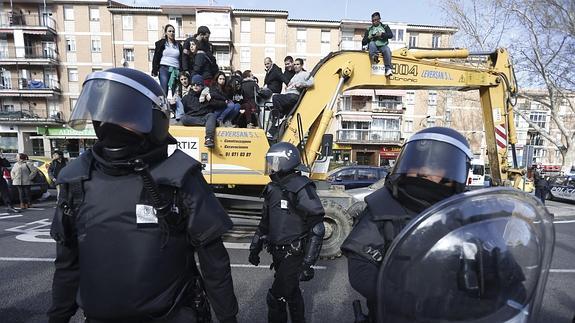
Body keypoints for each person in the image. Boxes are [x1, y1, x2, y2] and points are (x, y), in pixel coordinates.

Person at [48, 68, 238, 323]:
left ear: (154, 120)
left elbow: (215, 264)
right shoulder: (76, 178)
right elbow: (67, 265)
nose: (111, 124)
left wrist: (228, 318)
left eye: (125, 116)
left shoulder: (180, 176)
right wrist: (57, 317)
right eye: (107, 116)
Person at [341, 127, 473, 321]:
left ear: (451, 171)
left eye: (436, 168)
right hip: (395, 314)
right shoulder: (382, 207)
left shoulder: (465, 212)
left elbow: (492, 258)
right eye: (419, 166)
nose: (425, 173)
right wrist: (403, 299)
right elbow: (361, 266)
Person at [248, 142, 325, 323]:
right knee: (292, 293)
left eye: (274, 162)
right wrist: (255, 248)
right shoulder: (272, 187)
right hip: (277, 252)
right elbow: (264, 223)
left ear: (286, 162)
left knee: (276, 297)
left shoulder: (301, 186)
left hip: (294, 253)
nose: (271, 166)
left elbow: (317, 227)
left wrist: (307, 263)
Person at [268, 58, 314, 139]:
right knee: (277, 115)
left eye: (298, 64)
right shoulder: (294, 76)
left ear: (302, 65)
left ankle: (281, 116)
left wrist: (302, 84)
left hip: (293, 96)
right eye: (295, 64)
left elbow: (311, 82)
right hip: (288, 96)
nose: (296, 66)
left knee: (275, 97)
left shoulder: (304, 74)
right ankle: (272, 133)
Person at [180, 74, 218, 148]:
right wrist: (173, 104)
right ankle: (207, 124)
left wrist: (210, 99)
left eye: (198, 84)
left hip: (204, 116)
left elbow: (220, 105)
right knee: (184, 118)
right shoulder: (187, 97)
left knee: (211, 116)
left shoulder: (207, 95)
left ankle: (209, 139)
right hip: (192, 118)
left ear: (202, 85)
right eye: (193, 84)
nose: (195, 86)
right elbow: (180, 109)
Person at [152, 24, 183, 97]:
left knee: (175, 91)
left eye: (173, 31)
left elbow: (181, 58)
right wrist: (155, 69)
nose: (172, 33)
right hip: (164, 68)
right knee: (164, 90)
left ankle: (175, 107)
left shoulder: (178, 45)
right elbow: (156, 56)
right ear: (166, 33)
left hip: (175, 70)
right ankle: (163, 106)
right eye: (169, 31)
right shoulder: (161, 43)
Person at [362, 12, 394, 76]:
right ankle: (374, 57)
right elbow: (363, 42)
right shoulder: (369, 29)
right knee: (371, 43)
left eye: (376, 20)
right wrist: (369, 37)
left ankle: (388, 69)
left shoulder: (385, 26)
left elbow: (390, 35)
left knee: (387, 49)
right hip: (373, 46)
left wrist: (382, 34)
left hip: (382, 45)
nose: (374, 22)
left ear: (379, 19)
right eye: (373, 21)